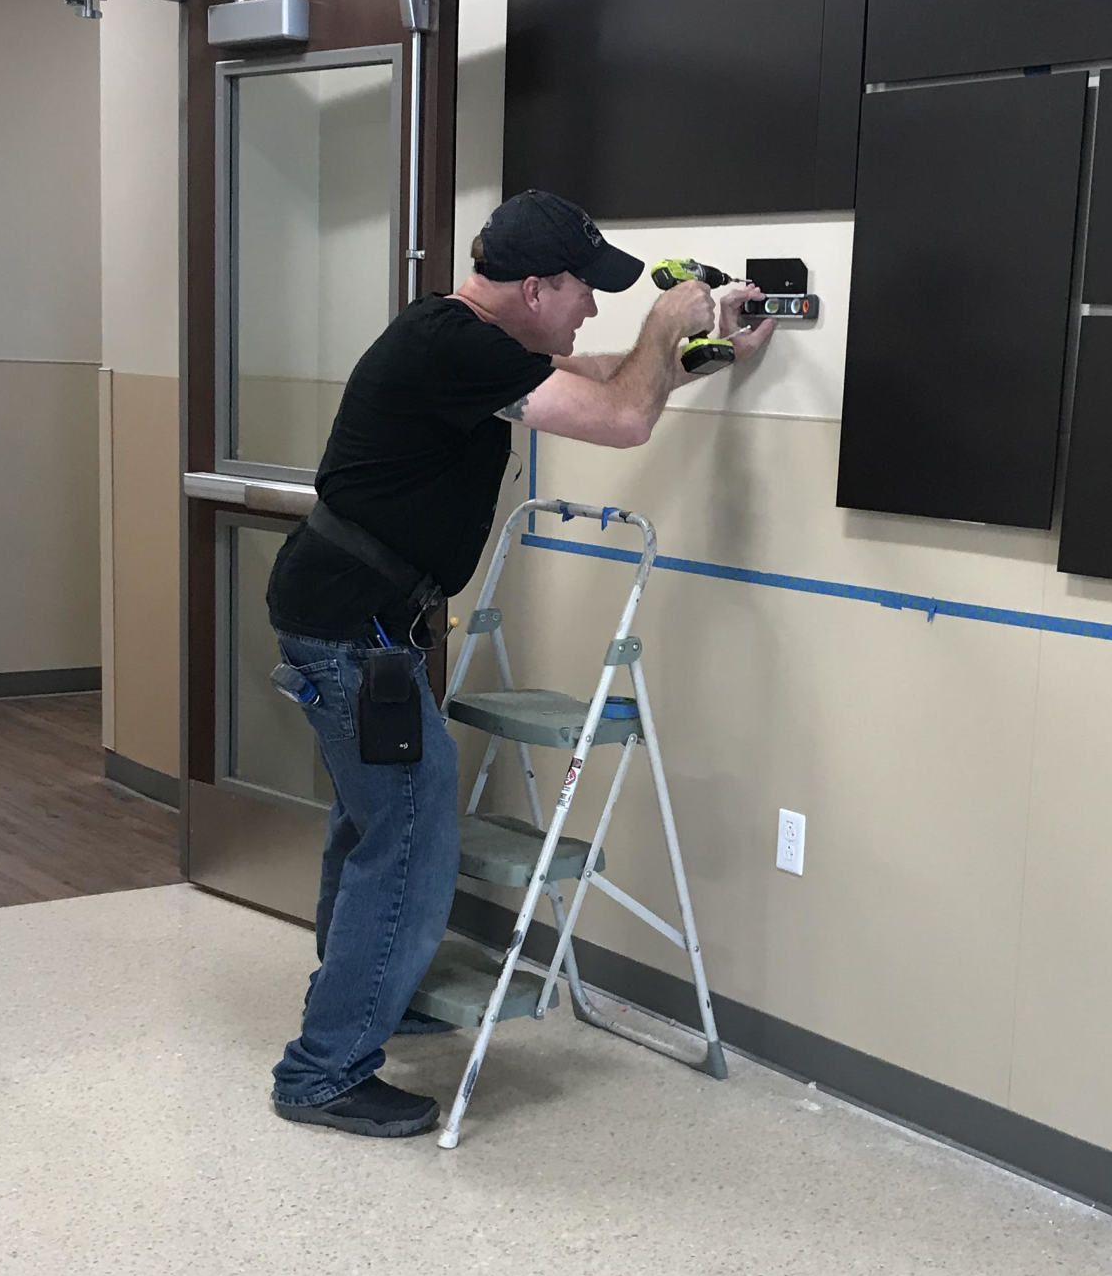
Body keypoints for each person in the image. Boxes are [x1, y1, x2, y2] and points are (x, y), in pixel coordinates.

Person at [264, 188, 766, 1139]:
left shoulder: (470, 342)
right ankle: (323, 1071)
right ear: (536, 287)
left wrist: (711, 352)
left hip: (355, 621)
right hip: (351, 629)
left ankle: (372, 1000)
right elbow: (621, 417)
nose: (593, 309)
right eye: (585, 291)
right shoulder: (453, 347)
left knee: (371, 830)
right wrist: (668, 318)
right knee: (409, 847)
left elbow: (615, 383)